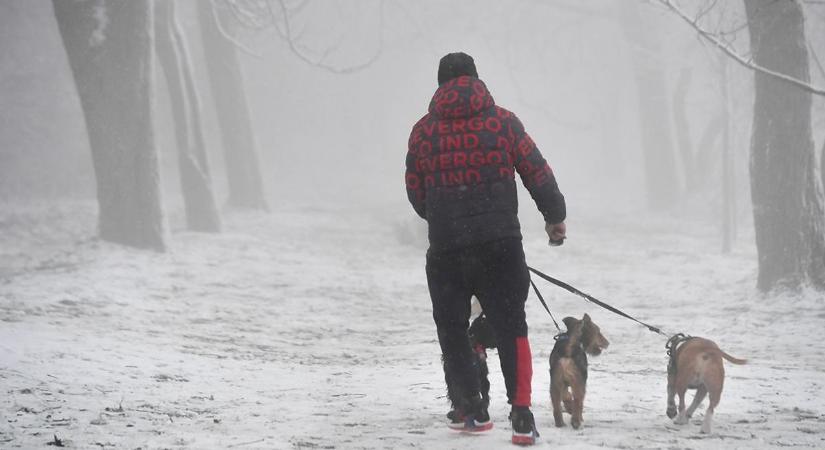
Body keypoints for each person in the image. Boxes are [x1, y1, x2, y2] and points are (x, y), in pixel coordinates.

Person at [405, 52, 567, 446]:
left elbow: (414, 189)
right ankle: (522, 416)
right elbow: (537, 170)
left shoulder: (423, 131)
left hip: (447, 249)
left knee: (452, 328)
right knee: (513, 328)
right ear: (476, 79)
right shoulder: (503, 122)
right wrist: (554, 216)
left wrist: (442, 217)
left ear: (440, 85)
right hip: (501, 247)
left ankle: (470, 409)